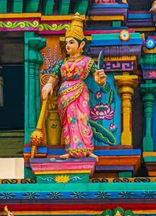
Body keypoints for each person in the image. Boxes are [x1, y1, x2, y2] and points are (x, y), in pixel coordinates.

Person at [41, 13, 107, 161]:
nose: (68, 46)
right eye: (67, 43)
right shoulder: (61, 63)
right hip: (64, 95)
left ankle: (87, 149)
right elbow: (53, 78)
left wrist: (100, 79)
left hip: (80, 93)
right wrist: (47, 86)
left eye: (71, 42)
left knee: (82, 118)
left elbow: (98, 79)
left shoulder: (87, 61)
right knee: (69, 121)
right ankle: (70, 149)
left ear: (81, 45)